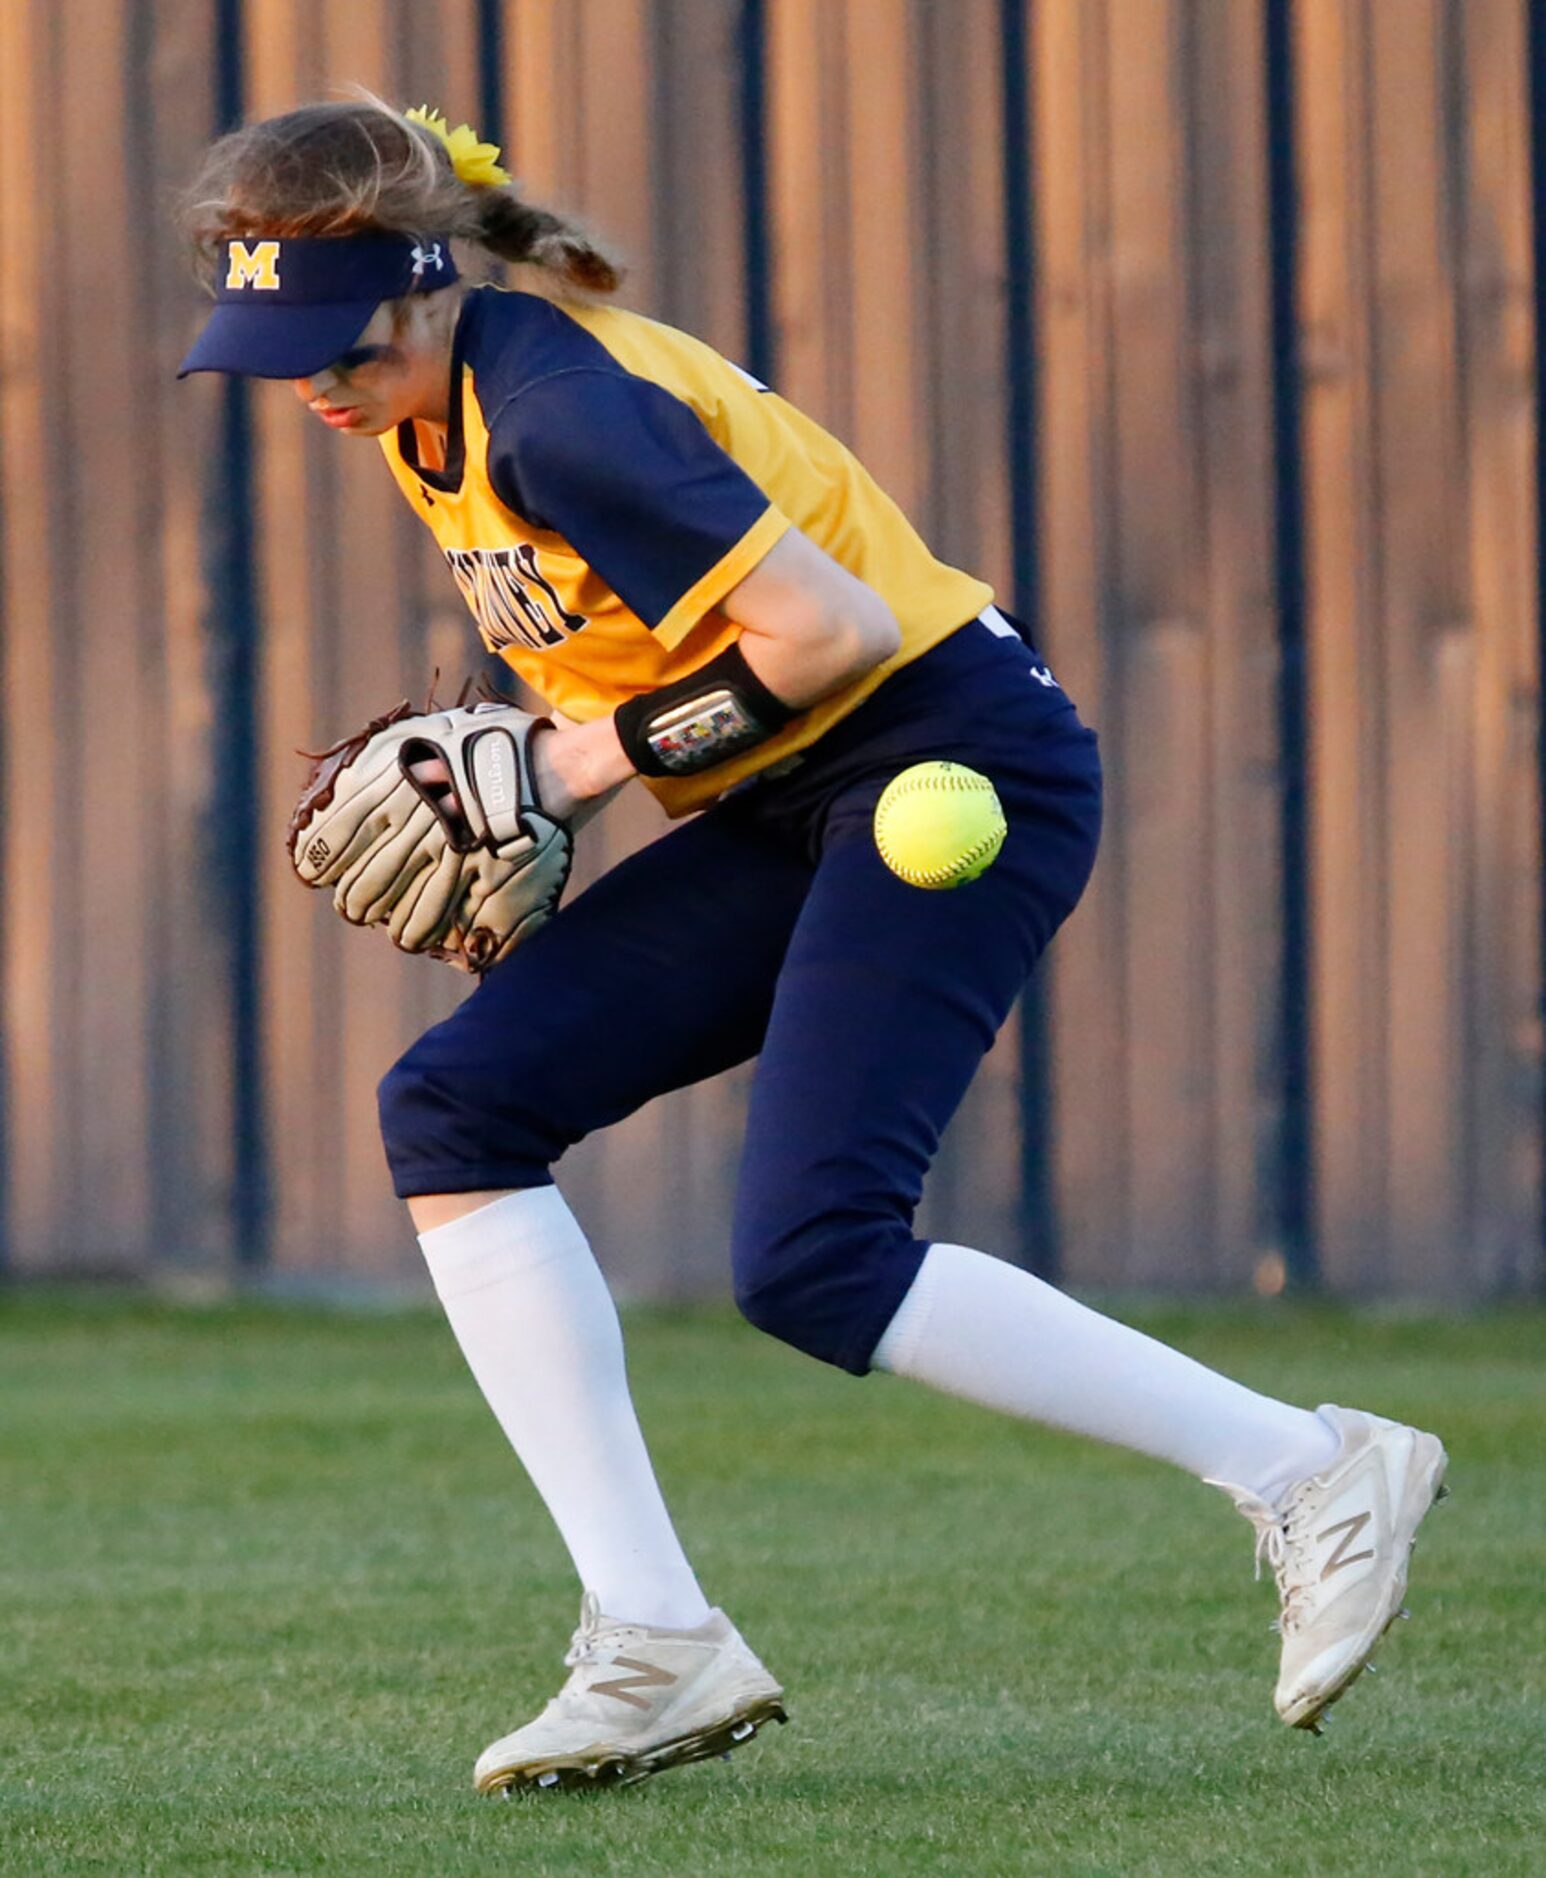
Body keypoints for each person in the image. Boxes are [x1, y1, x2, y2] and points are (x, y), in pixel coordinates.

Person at [179, 98, 1447, 1795]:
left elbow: (827, 632)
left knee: (813, 1253)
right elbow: (662, 673)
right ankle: (653, 1638)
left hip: (945, 765)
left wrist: (560, 769)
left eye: (330, 338)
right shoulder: (434, 408)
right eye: (271, 347)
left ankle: (1309, 1469)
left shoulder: (557, 413)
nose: (309, 381)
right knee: (458, 1108)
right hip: (794, 795)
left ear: (419, 287)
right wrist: (547, 810)